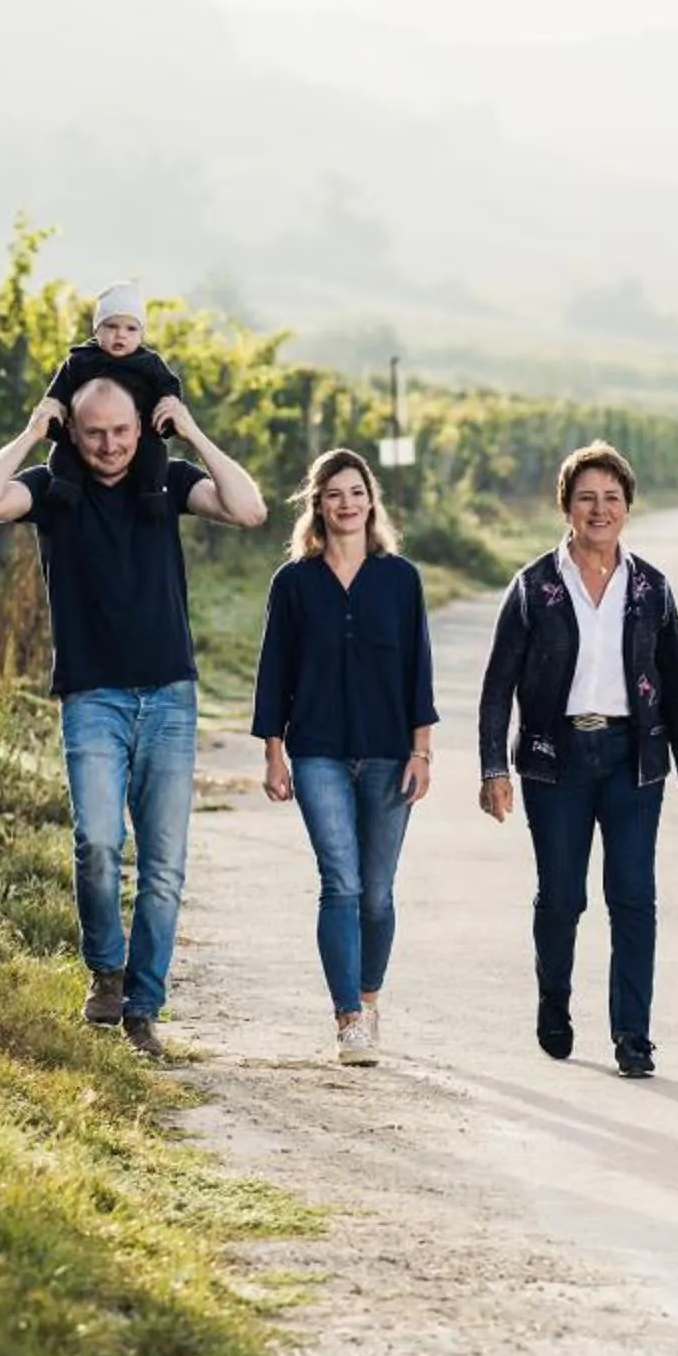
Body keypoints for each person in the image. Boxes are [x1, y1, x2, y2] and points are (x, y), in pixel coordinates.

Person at [0, 375, 269, 1060]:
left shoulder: (167, 478)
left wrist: (191, 431)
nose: (108, 445)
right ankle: (106, 970)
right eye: (93, 431)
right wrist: (31, 432)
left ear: (141, 428)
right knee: (98, 844)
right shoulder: (51, 488)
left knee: (163, 866)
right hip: (92, 695)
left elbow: (250, 510)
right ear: (73, 429)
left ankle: (143, 1008)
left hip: (169, 697)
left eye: (121, 431)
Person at [476, 441, 678, 1079]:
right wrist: (493, 768)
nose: (599, 509)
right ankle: (554, 999)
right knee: (562, 897)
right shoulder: (533, 588)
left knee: (634, 897)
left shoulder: (652, 590)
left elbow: (676, 684)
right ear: (566, 506)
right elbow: (498, 685)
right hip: (554, 761)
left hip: (633, 759)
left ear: (628, 508)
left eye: (612, 498)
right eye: (587, 497)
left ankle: (633, 1035)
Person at [253, 447, 439, 1067]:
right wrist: (274, 754)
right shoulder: (295, 583)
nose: (347, 503)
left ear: (371, 500)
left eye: (356, 492)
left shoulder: (400, 578)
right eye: (334, 494)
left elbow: (419, 671)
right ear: (318, 504)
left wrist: (423, 752)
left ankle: (369, 994)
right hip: (317, 752)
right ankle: (348, 1020)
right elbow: (273, 670)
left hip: (391, 754)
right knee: (341, 883)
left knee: (378, 893)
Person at [41, 283, 187, 513]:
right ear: (96, 330)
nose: (120, 335)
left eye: (131, 329)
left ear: (141, 334)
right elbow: (60, 389)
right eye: (111, 326)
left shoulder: (149, 363)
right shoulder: (81, 360)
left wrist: (169, 404)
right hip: (88, 429)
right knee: (64, 453)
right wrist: (53, 406)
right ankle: (66, 488)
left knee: (154, 455)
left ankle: (151, 497)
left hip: (139, 430)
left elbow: (168, 386)